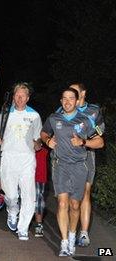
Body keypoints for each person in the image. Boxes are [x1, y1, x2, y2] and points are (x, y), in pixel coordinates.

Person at [41, 88, 104, 256]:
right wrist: (47, 140)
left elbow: (100, 141)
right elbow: (43, 132)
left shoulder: (87, 120)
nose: (67, 101)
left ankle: (72, 234)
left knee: (75, 205)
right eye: (64, 99)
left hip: (79, 166)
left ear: (77, 101)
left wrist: (83, 142)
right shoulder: (54, 118)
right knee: (62, 203)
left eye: (71, 98)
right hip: (60, 165)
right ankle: (64, 242)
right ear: (61, 101)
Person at [0, 82, 42, 241]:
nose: (20, 98)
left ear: (28, 98)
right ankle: (12, 211)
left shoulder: (34, 116)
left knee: (28, 196)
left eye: (23, 95)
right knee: (11, 195)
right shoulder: (5, 114)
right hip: (9, 158)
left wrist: (38, 144)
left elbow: (38, 140)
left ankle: (23, 228)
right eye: (17, 95)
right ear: (13, 96)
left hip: (27, 159)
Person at [69, 83, 105, 247]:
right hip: (68, 158)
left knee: (85, 192)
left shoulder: (93, 111)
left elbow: (100, 133)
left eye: (74, 91)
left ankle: (83, 233)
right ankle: (71, 232)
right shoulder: (63, 107)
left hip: (87, 155)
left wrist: (85, 140)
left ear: (83, 93)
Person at [33, 146, 49, 237]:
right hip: (24, 169)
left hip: (40, 172)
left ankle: (39, 224)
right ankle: (21, 220)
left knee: (39, 198)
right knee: (21, 196)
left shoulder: (45, 133)